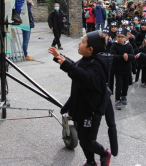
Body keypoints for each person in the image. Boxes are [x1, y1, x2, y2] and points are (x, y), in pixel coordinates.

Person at [48, 31, 112, 166]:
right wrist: (60, 57)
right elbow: (75, 66)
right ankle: (90, 161)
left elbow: (86, 78)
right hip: (79, 108)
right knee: (82, 138)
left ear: (90, 49)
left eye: (82, 42)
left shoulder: (98, 65)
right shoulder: (86, 59)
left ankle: (104, 154)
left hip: (90, 111)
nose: (79, 43)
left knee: (87, 140)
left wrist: (67, 66)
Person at [110, 28, 135, 110]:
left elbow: (132, 56)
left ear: (125, 37)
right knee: (119, 84)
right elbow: (112, 56)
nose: (120, 38)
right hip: (118, 69)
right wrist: (122, 57)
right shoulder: (114, 45)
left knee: (125, 84)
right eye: (118, 36)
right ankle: (117, 100)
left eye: (122, 36)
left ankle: (124, 96)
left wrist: (128, 56)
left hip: (127, 69)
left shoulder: (128, 45)